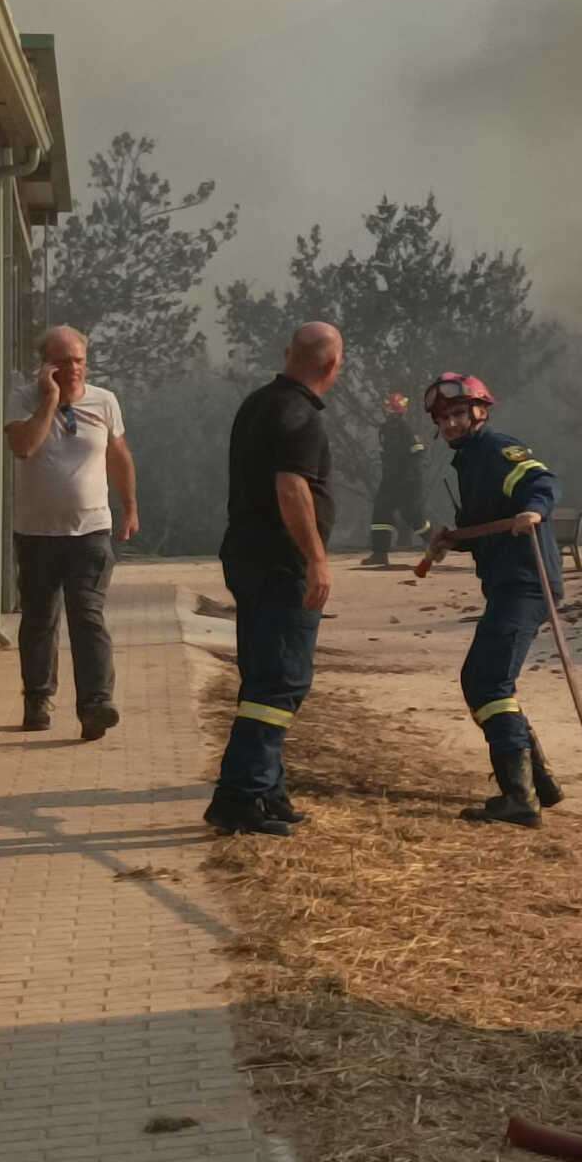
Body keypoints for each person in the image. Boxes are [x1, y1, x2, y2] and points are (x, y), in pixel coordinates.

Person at [206, 322, 343, 837]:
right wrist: (316, 559)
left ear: (289, 355)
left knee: (263, 675)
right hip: (281, 566)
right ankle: (238, 798)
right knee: (281, 682)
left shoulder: (260, 403)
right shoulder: (300, 416)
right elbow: (292, 490)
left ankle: (267, 790)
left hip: (246, 559)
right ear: (331, 366)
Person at [420, 371, 565, 826]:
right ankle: (538, 784)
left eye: (458, 414)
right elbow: (486, 525)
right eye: (443, 418)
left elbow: (543, 482)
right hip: (506, 584)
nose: (449, 425)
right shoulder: (467, 464)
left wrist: (533, 510)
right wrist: (455, 539)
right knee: (484, 680)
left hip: (526, 583)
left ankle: (519, 799)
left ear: (480, 412)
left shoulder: (497, 449)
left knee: (488, 683)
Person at [4, 326, 137, 738]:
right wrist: (50, 399)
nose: (73, 368)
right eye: (62, 361)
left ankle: (96, 705)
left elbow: (118, 456)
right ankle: (38, 698)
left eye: (79, 360)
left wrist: (130, 506)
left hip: (91, 531)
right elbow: (24, 447)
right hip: (37, 533)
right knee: (40, 619)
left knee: (88, 616)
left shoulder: (105, 401)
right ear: (45, 365)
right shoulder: (22, 399)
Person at [364, 393, 427, 567]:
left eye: (393, 409)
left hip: (408, 480)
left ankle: (436, 542)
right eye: (388, 409)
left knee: (412, 514)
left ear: (400, 411)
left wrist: (409, 477)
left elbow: (418, 454)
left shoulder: (406, 429)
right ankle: (379, 554)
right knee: (380, 512)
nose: (390, 412)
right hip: (390, 479)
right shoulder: (383, 429)